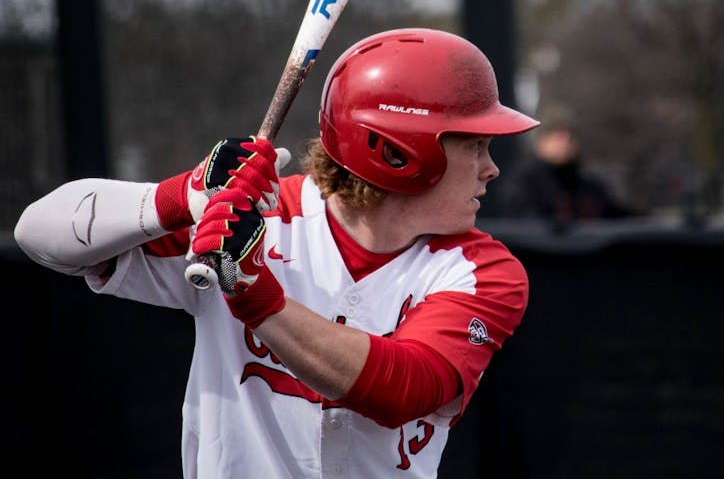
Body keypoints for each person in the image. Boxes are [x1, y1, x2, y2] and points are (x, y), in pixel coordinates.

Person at [14, 28, 539, 479]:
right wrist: (182, 196)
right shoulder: (255, 221)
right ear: (401, 151)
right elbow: (39, 236)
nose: (490, 168)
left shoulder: (482, 270)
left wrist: (255, 294)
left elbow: (407, 388)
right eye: (474, 146)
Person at [496, 103, 641, 225]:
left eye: (570, 136)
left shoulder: (589, 185)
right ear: (541, 141)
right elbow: (524, 223)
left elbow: (618, 217)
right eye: (558, 136)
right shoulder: (523, 183)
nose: (565, 142)